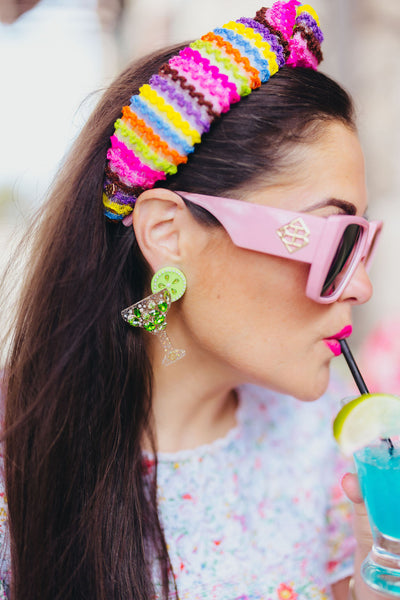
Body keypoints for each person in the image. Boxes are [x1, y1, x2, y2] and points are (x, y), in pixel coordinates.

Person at [0, 1, 385, 598]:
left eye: (365, 243)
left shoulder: (328, 448)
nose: (360, 285)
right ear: (167, 234)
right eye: (337, 239)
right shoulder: (14, 470)